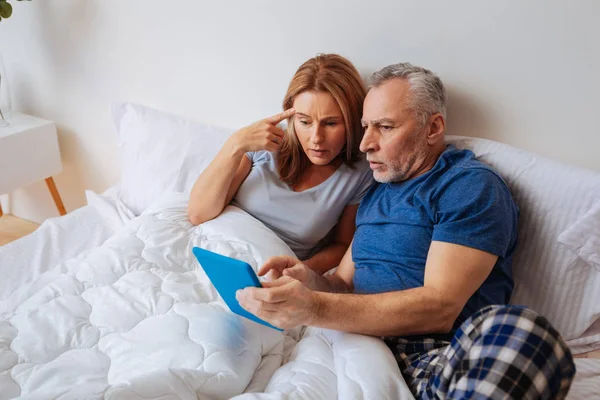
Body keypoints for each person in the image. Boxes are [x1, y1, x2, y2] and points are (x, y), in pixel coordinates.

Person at [237, 63, 576, 399]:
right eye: (365, 127)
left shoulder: (469, 186)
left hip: (431, 356)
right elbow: (341, 284)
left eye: (384, 127)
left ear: (433, 128)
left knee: (524, 334)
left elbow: (440, 306)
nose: (365, 144)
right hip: (351, 344)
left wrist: (315, 308)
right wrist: (308, 279)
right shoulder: (375, 193)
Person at [188, 54, 373, 274]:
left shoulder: (359, 173)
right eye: (304, 122)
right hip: (213, 254)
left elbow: (341, 246)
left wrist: (297, 272)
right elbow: (199, 214)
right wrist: (236, 144)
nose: (316, 137)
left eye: (331, 123)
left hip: (271, 271)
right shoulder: (265, 141)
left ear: (353, 120)